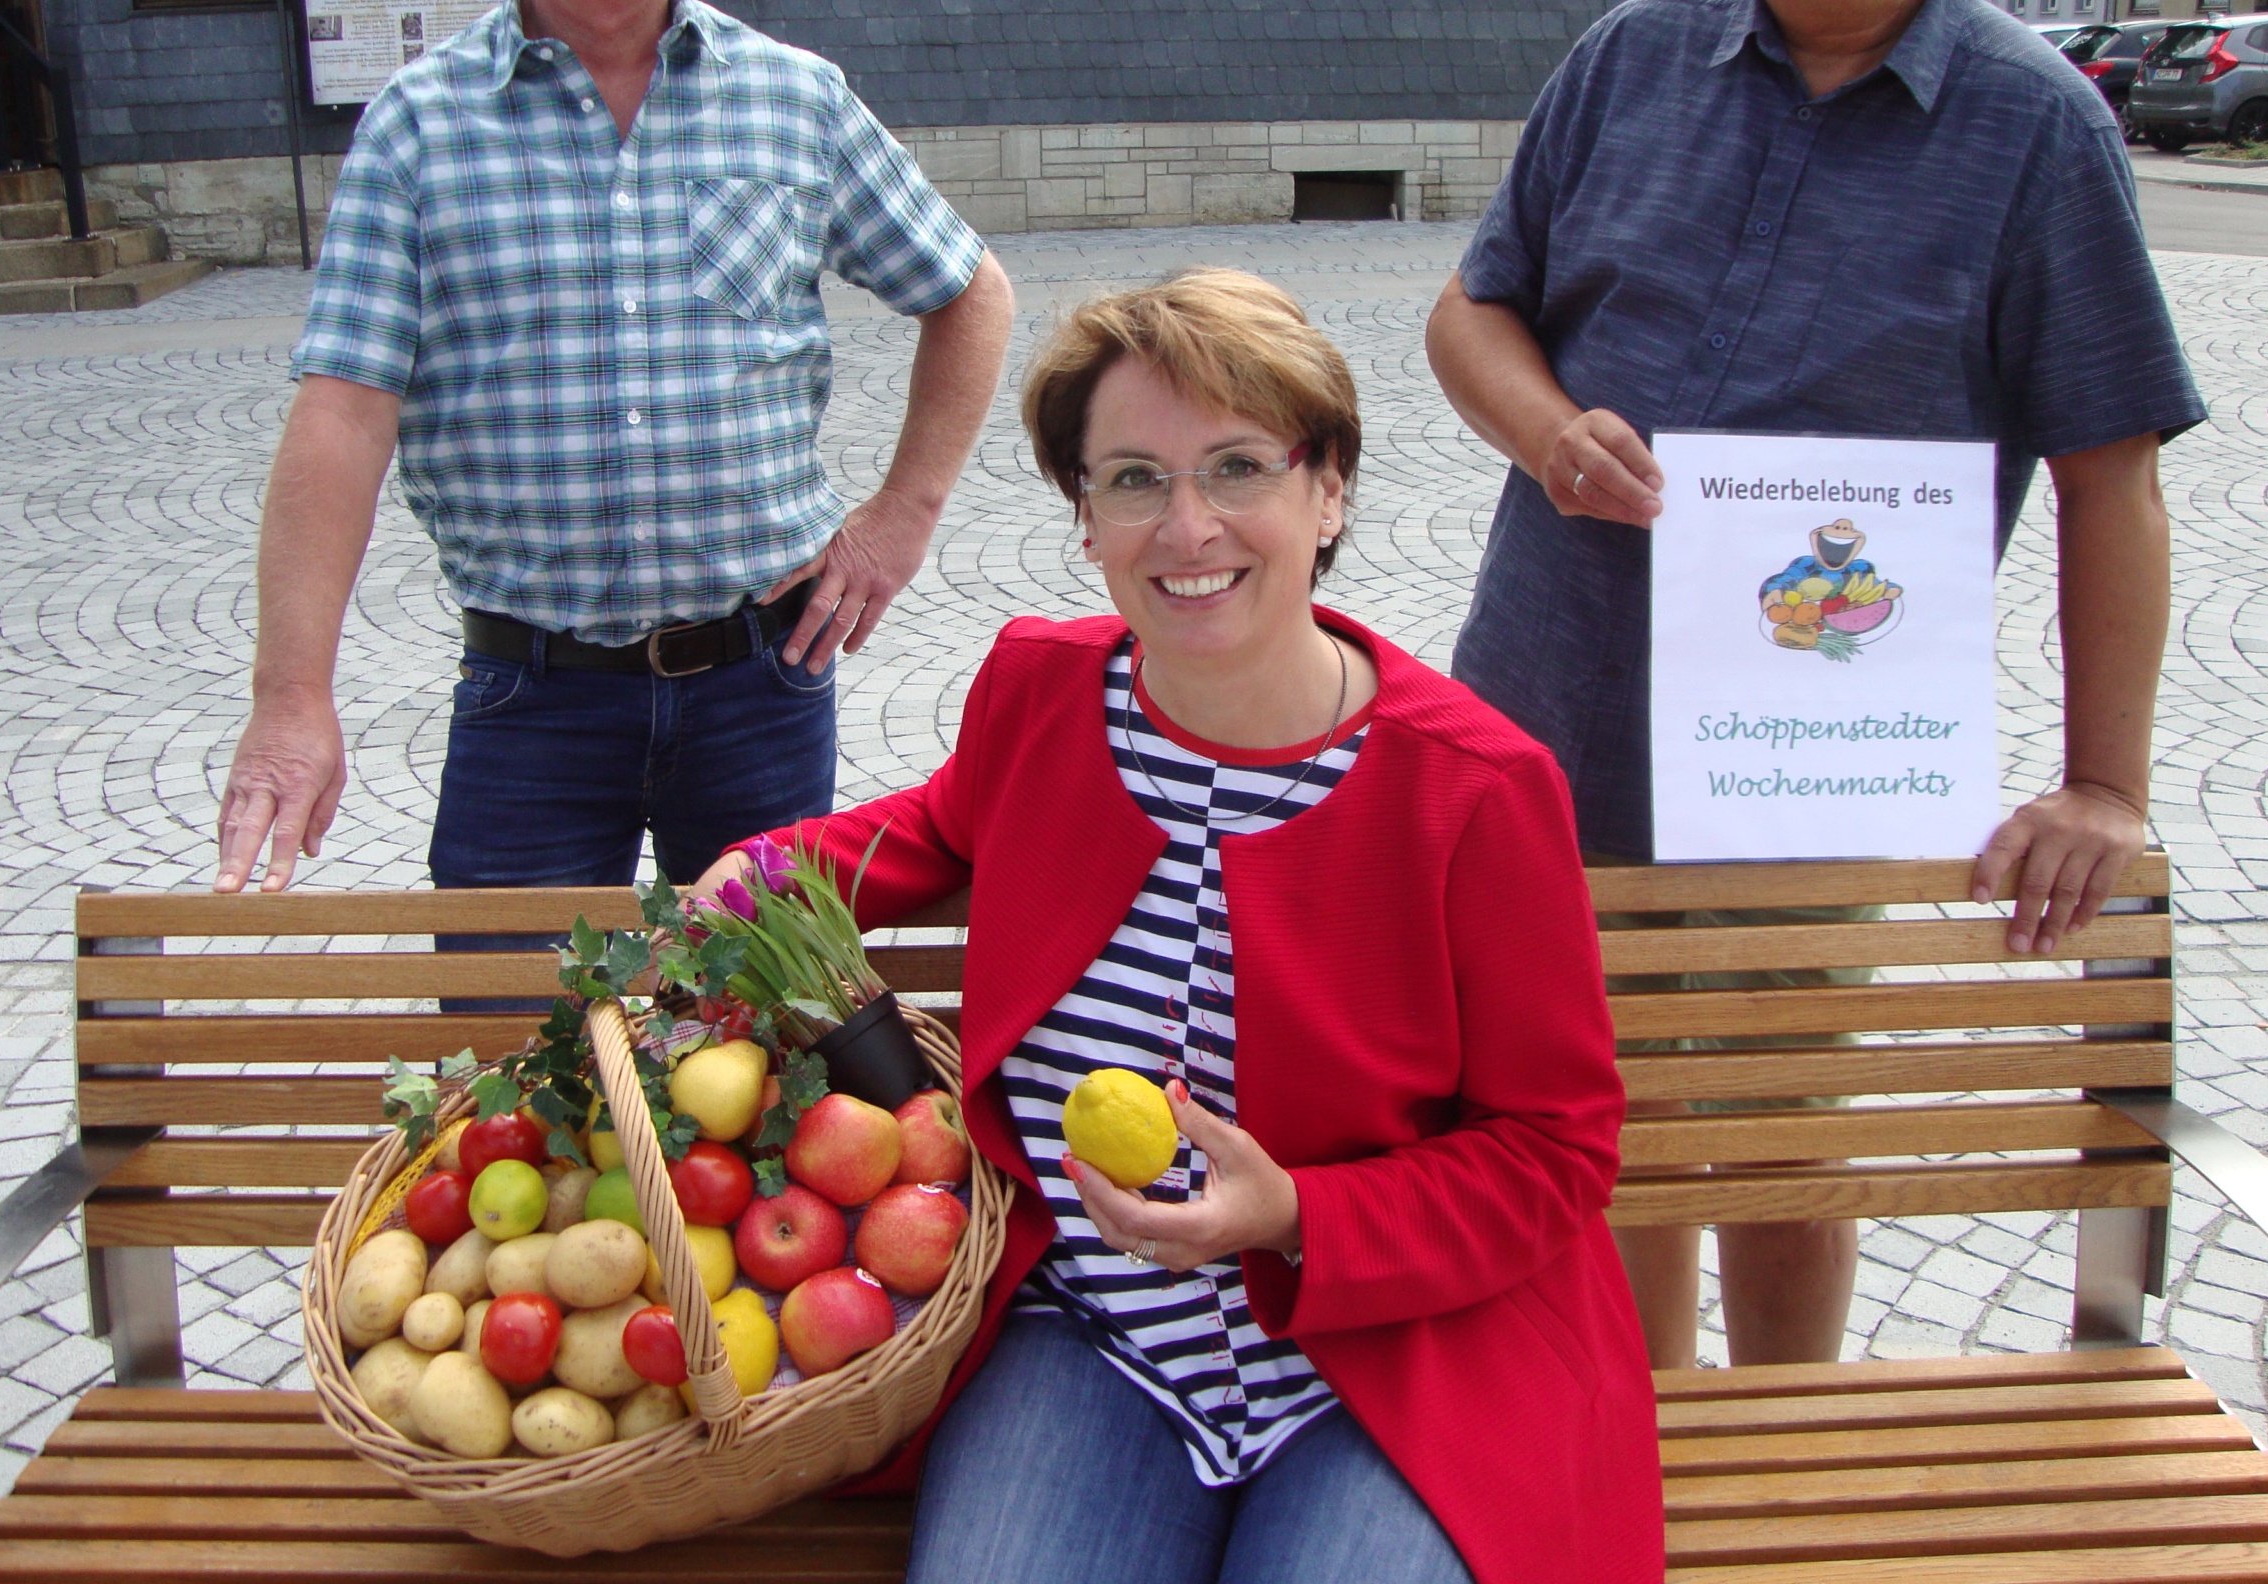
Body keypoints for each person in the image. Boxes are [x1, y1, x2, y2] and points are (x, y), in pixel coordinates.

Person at [1425, 0, 2204, 1372]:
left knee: (1779, 1129)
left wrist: (2106, 782)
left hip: (1808, 743)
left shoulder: (2039, 133)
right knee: (1600, 1123)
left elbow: (2109, 475)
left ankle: (1789, 1424)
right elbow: (1469, 317)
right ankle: (1650, 1441)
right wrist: (1551, 431)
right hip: (1553, 711)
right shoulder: (1628, 62)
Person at [701, 273, 1661, 1584]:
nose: (1187, 524)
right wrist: (745, 880)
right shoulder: (1041, 692)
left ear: (1328, 492)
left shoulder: (1477, 791)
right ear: (1085, 517)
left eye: (1238, 466)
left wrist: (1297, 1217)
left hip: (1394, 1357)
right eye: (1135, 478)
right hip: (1093, 1337)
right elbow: (932, 828)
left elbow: (1555, 1156)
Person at [209, 0, 1015, 946]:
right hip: (530, 698)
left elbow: (968, 292)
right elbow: (342, 413)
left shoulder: (791, 101)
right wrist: (289, 696)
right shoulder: (419, 132)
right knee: (503, 1062)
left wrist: (901, 515)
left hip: (761, 682)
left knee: (769, 1052)